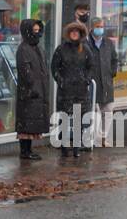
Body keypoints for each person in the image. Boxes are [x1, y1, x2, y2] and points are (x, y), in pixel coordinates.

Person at [51, 19, 92, 159]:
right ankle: (64, 147)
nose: (74, 34)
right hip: (65, 91)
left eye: (77, 32)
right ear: (69, 34)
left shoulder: (85, 49)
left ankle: (76, 147)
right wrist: (61, 81)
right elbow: (54, 68)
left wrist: (86, 80)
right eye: (72, 32)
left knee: (78, 120)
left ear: (80, 34)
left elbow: (90, 67)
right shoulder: (61, 49)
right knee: (64, 119)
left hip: (80, 91)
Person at [15, 17, 50, 160]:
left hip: (37, 91)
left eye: (38, 30)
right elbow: (26, 71)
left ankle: (28, 150)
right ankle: (25, 151)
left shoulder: (37, 48)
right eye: (34, 30)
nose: (37, 33)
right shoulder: (23, 49)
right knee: (26, 122)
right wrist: (33, 87)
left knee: (32, 122)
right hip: (29, 93)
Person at [86, 14, 119, 148]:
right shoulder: (86, 43)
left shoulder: (108, 42)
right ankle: (92, 139)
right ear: (91, 28)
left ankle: (103, 138)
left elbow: (114, 59)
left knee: (108, 111)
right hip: (92, 82)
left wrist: (112, 72)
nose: (100, 29)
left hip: (106, 81)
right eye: (97, 27)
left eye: (101, 27)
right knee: (93, 112)